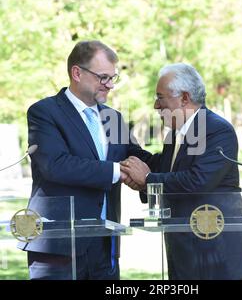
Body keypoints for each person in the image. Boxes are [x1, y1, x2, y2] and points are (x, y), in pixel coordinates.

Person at [121, 63, 242, 280]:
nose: (155, 105)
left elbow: (198, 180)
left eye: (160, 97)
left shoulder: (217, 129)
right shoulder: (175, 134)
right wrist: (127, 154)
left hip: (220, 252)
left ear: (184, 98)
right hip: (185, 252)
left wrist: (148, 179)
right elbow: (163, 168)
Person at [18, 40, 151, 280]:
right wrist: (117, 172)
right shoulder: (44, 112)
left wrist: (176, 159)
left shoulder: (114, 118)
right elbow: (56, 165)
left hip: (105, 245)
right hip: (57, 246)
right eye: (103, 77)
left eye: (113, 78)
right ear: (77, 73)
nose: (110, 85)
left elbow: (138, 157)